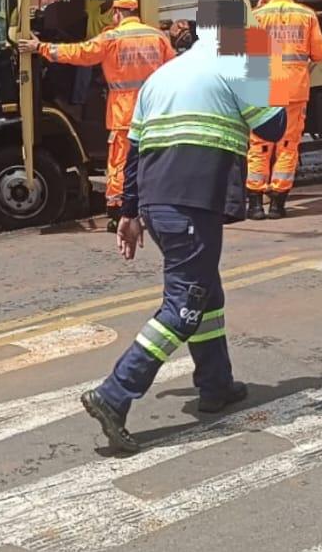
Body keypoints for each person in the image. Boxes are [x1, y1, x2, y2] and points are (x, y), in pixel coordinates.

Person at [79, 23, 287, 454]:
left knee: (206, 293)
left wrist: (129, 214)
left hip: (159, 205)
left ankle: (215, 385)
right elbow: (274, 126)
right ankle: (115, 393)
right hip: (192, 202)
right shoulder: (236, 65)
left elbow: (134, 155)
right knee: (186, 303)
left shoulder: (162, 77)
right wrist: (266, 68)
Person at [19, 0, 174, 230]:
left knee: (121, 163)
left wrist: (40, 48)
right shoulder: (158, 36)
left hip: (124, 113)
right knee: (155, 159)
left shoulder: (112, 37)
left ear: (118, 14)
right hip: (156, 110)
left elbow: (80, 53)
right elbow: (173, 68)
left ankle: (117, 211)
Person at [246, 0, 322, 220]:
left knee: (259, 145)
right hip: (294, 89)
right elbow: (320, 52)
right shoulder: (306, 14)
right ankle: (278, 206)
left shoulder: (255, 16)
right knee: (287, 145)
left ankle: (255, 206)